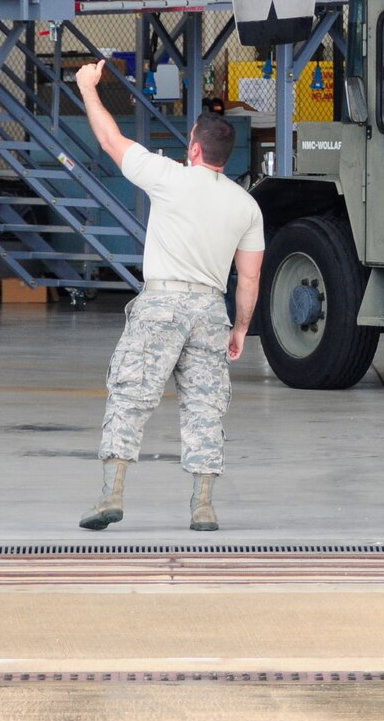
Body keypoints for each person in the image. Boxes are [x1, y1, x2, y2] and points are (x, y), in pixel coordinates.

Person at [73, 58, 264, 532]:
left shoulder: (170, 178)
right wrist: (239, 329)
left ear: (194, 148)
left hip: (161, 304)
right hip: (209, 310)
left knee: (130, 395)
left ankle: (111, 493)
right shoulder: (246, 206)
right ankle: (203, 506)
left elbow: (110, 140)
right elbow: (251, 278)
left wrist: (87, 88)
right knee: (204, 405)